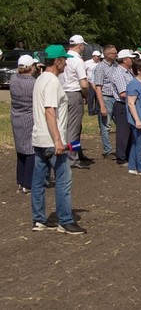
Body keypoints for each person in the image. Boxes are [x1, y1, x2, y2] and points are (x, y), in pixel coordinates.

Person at [31, 44, 86, 234]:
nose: (66, 64)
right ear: (57, 61)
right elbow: (49, 111)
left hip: (38, 139)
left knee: (38, 182)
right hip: (51, 141)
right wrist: (57, 140)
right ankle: (65, 221)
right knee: (63, 181)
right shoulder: (53, 82)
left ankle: (39, 220)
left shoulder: (40, 79)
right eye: (64, 60)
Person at [60, 34, 90, 168]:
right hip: (74, 94)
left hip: (62, 94)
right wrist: (86, 96)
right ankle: (72, 157)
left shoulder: (63, 58)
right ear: (80, 45)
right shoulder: (78, 60)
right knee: (74, 128)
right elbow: (83, 84)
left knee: (66, 126)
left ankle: (77, 151)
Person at [10, 55, 37, 194]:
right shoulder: (33, 83)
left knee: (20, 149)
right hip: (29, 118)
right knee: (30, 150)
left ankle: (20, 181)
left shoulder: (13, 79)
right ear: (31, 67)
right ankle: (28, 182)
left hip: (16, 117)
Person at [126, 58, 141, 178]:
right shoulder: (133, 84)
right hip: (140, 118)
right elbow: (131, 103)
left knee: (136, 143)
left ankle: (132, 167)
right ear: (139, 70)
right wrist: (137, 120)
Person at [111, 49, 136, 165]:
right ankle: (121, 158)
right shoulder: (119, 73)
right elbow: (122, 93)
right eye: (131, 58)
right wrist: (138, 96)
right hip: (122, 105)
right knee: (123, 132)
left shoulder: (128, 72)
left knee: (129, 132)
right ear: (125, 60)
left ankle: (128, 155)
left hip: (129, 104)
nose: (133, 60)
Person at [94, 45, 119, 159]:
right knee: (105, 126)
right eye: (114, 53)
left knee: (120, 124)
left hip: (116, 97)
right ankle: (107, 150)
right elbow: (98, 87)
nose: (116, 54)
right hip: (106, 97)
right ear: (108, 55)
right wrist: (102, 106)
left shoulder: (116, 65)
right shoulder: (100, 67)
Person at [84, 50, 102, 116]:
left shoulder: (100, 63)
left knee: (97, 97)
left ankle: (97, 110)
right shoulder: (87, 63)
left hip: (98, 82)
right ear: (93, 56)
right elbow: (83, 71)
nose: (98, 58)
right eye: (97, 56)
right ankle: (90, 111)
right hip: (90, 82)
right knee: (90, 98)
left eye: (99, 56)